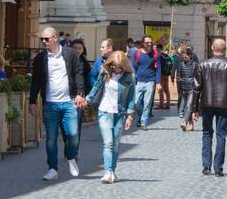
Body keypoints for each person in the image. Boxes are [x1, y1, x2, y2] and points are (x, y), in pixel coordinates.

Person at [28, 26, 87, 180]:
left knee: (73, 134)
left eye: (46, 39)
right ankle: (52, 168)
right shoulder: (40, 58)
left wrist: (80, 94)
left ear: (55, 38)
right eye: (42, 39)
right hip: (50, 103)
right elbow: (35, 81)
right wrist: (32, 101)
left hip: (69, 102)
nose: (43, 41)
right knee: (51, 138)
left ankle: (71, 156)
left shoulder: (70, 53)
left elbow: (78, 74)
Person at [85, 50, 135, 183]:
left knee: (116, 144)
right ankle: (107, 172)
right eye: (112, 66)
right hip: (104, 111)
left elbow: (131, 97)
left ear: (123, 66)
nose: (115, 69)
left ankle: (113, 170)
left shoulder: (129, 77)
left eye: (118, 67)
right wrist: (87, 99)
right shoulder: (105, 72)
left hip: (119, 113)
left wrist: (130, 116)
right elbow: (96, 87)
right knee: (108, 143)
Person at [193, 37, 227, 176]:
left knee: (207, 133)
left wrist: (195, 109)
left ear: (213, 48)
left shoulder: (203, 65)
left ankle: (206, 166)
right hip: (224, 104)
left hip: (207, 103)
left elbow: (196, 88)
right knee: (221, 135)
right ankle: (218, 168)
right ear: (225, 50)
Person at [127, 36, 160, 130]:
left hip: (150, 81)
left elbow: (158, 69)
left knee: (147, 103)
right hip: (139, 81)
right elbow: (133, 66)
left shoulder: (155, 54)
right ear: (142, 43)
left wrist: (158, 82)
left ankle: (143, 123)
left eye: (151, 42)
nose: (149, 44)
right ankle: (142, 117)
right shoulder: (137, 53)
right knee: (136, 103)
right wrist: (134, 78)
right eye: (147, 42)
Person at [176, 45, 199, 131]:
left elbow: (198, 78)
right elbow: (178, 76)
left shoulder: (195, 65)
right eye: (183, 57)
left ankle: (184, 121)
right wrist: (180, 82)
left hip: (192, 88)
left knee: (189, 105)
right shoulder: (181, 64)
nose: (184, 58)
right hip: (183, 87)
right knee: (186, 106)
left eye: (185, 56)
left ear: (190, 56)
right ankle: (190, 123)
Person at [156, 41, 173, 110]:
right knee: (166, 90)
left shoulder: (159, 55)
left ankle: (161, 104)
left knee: (160, 89)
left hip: (161, 74)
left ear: (158, 48)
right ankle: (168, 104)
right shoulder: (166, 55)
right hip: (167, 74)